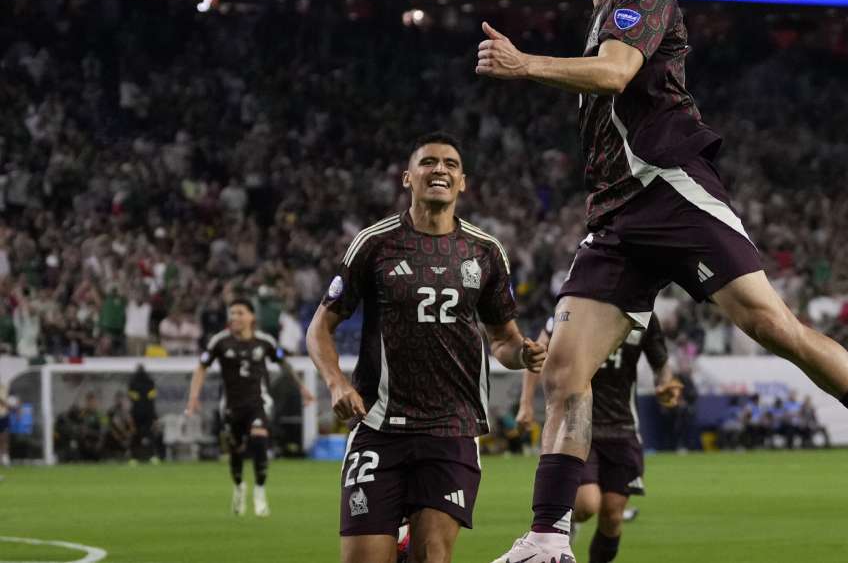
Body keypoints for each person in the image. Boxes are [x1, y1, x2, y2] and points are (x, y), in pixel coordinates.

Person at [477, 0, 848, 561]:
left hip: (669, 190)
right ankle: (549, 538)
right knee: (565, 373)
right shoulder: (602, 11)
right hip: (614, 219)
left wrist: (525, 65)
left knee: (770, 325)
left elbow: (614, 75)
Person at [305, 132, 547, 563]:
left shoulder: (485, 251)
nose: (440, 170)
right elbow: (319, 328)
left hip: (451, 429)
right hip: (379, 426)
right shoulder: (374, 244)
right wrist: (336, 383)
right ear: (407, 178)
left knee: (432, 556)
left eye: (451, 164)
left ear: (463, 182)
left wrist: (522, 355)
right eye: (429, 162)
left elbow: (503, 341)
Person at [517, 314, 681, 563]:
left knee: (613, 515)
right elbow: (538, 352)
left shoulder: (644, 316)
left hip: (623, 427)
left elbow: (661, 365)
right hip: (579, 422)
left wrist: (666, 385)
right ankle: (564, 524)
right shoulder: (578, 303)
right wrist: (525, 403)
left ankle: (565, 526)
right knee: (586, 504)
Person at [185, 298, 315, 517]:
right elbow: (201, 367)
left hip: (259, 402)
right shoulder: (220, 341)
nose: (234, 317)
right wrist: (193, 397)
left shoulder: (264, 341)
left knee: (259, 438)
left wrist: (302, 388)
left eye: (240, 313)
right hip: (231, 406)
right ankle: (238, 487)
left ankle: (260, 492)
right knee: (235, 450)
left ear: (251, 317)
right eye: (232, 313)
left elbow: (284, 363)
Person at [128, 364, 160, 463]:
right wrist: (154, 416)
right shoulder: (150, 383)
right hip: (148, 413)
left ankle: (134, 457)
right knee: (150, 434)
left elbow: (133, 399)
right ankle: (153, 456)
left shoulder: (132, 383)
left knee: (135, 435)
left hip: (137, 413)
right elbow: (151, 400)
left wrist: (132, 414)